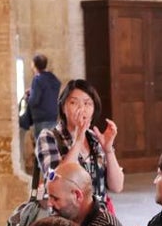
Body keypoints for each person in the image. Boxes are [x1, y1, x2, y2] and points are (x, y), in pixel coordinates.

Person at [35, 78, 124, 211]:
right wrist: (78, 140)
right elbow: (56, 181)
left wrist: (108, 150)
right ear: (63, 107)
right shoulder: (49, 137)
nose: (82, 109)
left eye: (88, 103)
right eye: (74, 103)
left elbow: (117, 186)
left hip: (99, 220)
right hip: (67, 223)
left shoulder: (95, 138)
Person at [21, 53, 60, 136]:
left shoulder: (37, 79)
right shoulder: (53, 78)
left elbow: (34, 101)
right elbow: (48, 94)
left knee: (41, 147)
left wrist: (27, 98)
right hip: (53, 118)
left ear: (34, 65)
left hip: (41, 120)